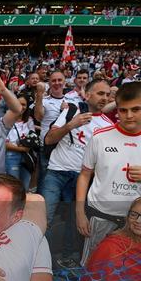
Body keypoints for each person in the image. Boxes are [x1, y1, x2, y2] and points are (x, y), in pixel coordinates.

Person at [76, 82, 141, 265]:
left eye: (135, 109)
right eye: (123, 110)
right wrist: (79, 212)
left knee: (127, 269)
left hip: (136, 221)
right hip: (100, 215)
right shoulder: (100, 136)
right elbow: (85, 174)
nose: (129, 116)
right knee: (93, 265)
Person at [43, 79, 113, 263]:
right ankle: (42, 258)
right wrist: (71, 125)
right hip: (56, 172)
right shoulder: (71, 110)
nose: (105, 98)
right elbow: (49, 140)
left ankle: (67, 258)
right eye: (100, 93)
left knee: (75, 221)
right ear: (87, 95)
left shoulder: (108, 126)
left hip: (82, 178)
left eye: (107, 94)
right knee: (45, 216)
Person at [34, 71, 68, 193]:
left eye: (59, 80)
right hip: (47, 147)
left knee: (63, 179)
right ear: (49, 83)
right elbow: (38, 117)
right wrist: (39, 95)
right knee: (44, 178)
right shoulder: (44, 100)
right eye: (53, 80)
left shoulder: (72, 99)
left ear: (65, 82)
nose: (57, 83)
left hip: (65, 147)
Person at [5, 95, 35, 191]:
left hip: (27, 157)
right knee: (14, 188)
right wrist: (21, 148)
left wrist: (25, 147)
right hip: (11, 156)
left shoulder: (29, 121)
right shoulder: (5, 120)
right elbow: (4, 144)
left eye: (24, 104)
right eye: (18, 103)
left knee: (25, 188)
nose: (21, 106)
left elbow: (33, 138)